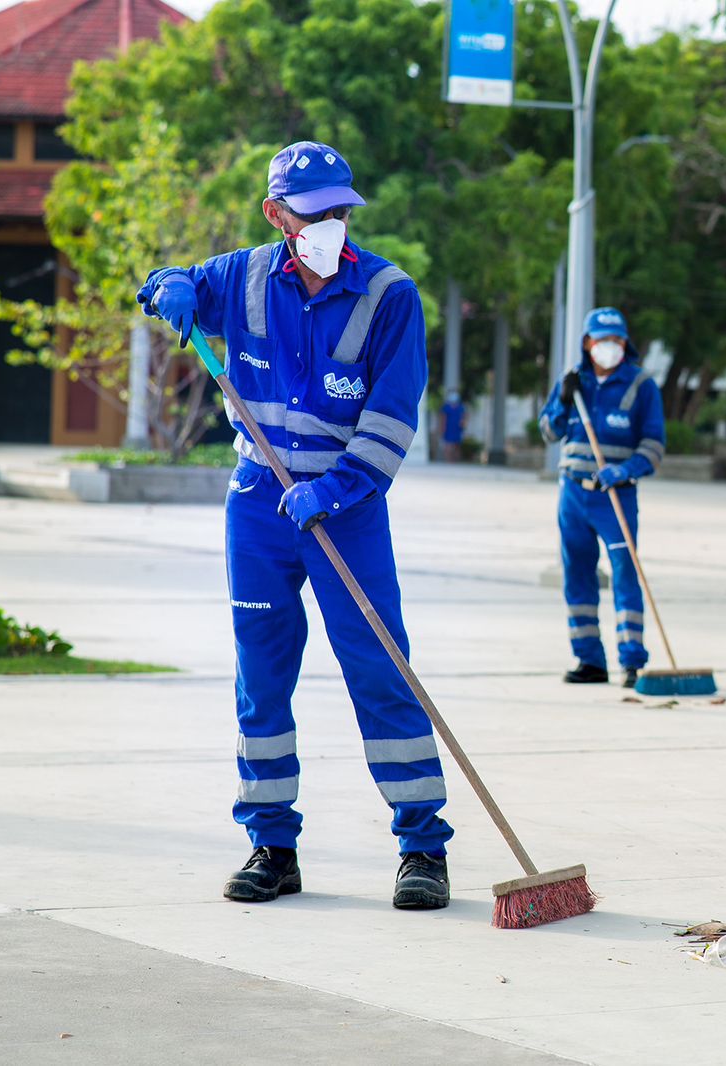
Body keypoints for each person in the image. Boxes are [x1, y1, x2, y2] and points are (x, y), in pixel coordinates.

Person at [136, 141, 453, 910]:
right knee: (263, 673)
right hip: (260, 504)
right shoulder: (242, 276)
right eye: (314, 213)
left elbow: (391, 418)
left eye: (342, 210)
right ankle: (271, 844)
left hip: (345, 511)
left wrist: (337, 490)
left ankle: (422, 849)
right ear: (277, 215)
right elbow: (166, 282)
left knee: (380, 667)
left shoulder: (390, 295)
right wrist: (170, 287)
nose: (331, 224)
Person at [538, 307, 666, 688]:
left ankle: (632, 661)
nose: (608, 347)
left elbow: (654, 446)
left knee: (626, 573)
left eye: (616, 340)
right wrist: (562, 399)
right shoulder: (573, 382)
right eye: (601, 340)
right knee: (577, 575)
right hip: (573, 495)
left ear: (625, 343)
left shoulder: (641, 386)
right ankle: (589, 660)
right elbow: (548, 430)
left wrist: (626, 471)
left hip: (616, 497)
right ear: (587, 343)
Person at [439, 390, 467, 462]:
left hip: (457, 428)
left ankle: (455, 460)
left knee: (457, 445)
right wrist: (442, 428)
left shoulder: (461, 407)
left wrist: (463, 424)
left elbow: (464, 417)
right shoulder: (446, 407)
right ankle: (448, 460)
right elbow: (443, 418)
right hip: (449, 428)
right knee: (448, 444)